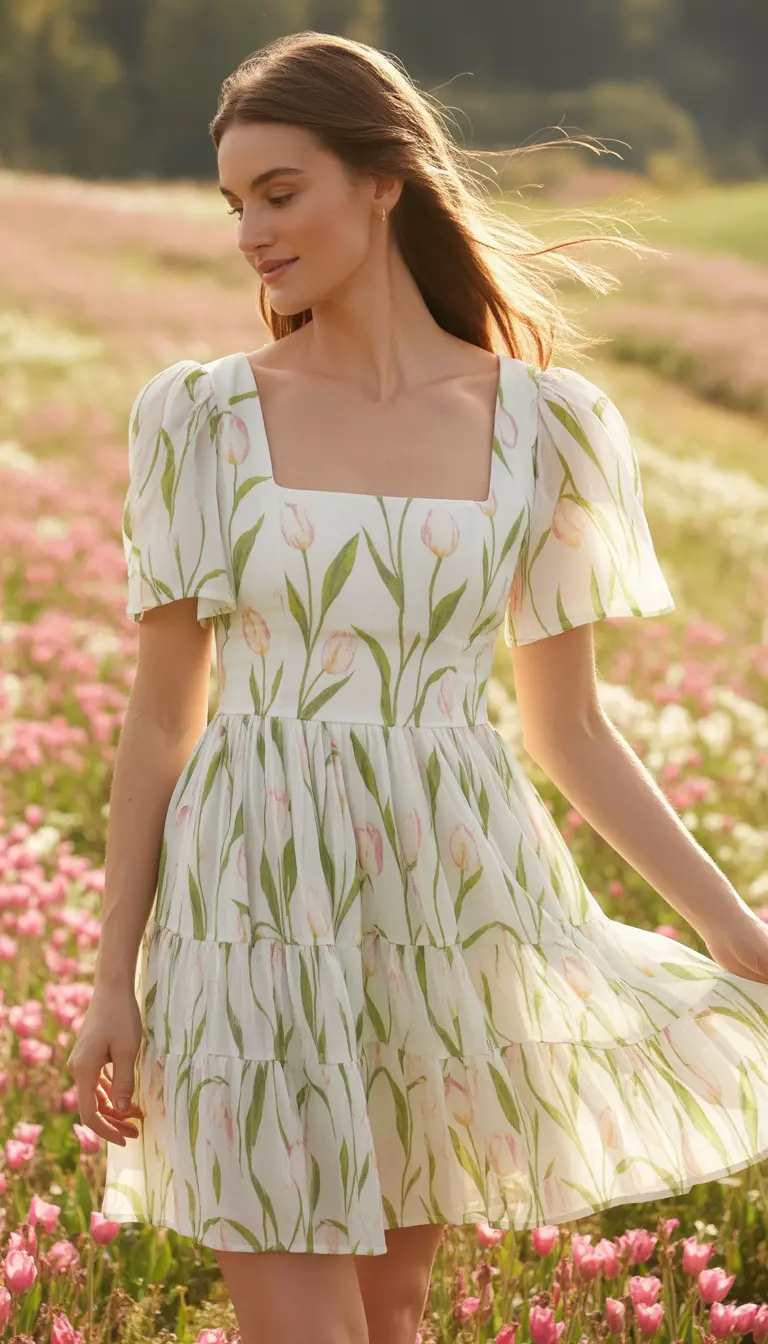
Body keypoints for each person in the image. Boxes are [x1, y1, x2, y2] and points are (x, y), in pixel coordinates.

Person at [66, 29, 768, 1344]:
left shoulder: (548, 428)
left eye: (282, 192)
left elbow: (569, 727)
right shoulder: (200, 417)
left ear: (384, 180)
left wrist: (734, 931)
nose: (252, 234)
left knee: (393, 1313)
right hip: (249, 903)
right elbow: (163, 715)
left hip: (448, 895)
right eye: (235, 204)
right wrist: (116, 978)